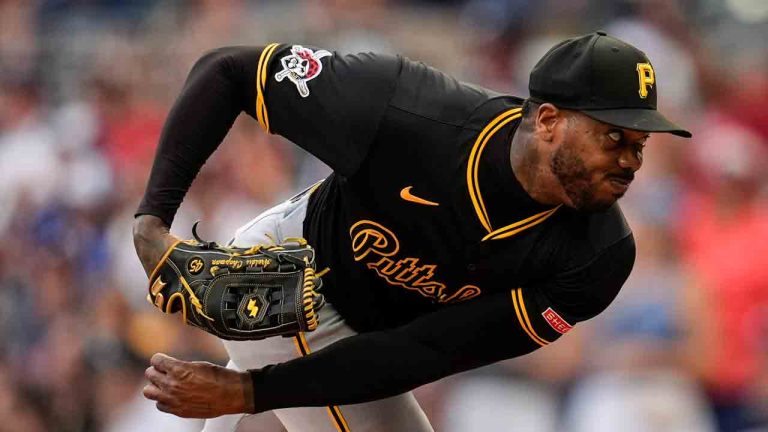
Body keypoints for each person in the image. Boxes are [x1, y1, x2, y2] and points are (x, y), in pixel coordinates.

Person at [133, 31, 691, 431]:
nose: (630, 160)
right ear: (548, 120)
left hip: (372, 334)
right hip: (286, 279)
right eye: (613, 138)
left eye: (639, 145)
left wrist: (251, 394)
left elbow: (424, 351)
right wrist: (151, 223)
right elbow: (230, 71)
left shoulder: (597, 258)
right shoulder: (405, 109)